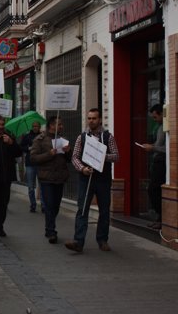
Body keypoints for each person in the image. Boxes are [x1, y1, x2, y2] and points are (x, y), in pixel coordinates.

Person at [66, 108, 120, 253]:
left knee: (104, 211)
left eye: (94, 118)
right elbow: (75, 157)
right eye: (89, 118)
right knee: (82, 210)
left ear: (100, 120)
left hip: (103, 179)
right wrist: (82, 169)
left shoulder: (108, 137)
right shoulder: (81, 137)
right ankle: (78, 241)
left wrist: (101, 155)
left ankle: (102, 240)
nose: (91, 121)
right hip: (86, 178)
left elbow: (116, 156)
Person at [30, 116, 71, 244]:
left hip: (59, 177)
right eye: (59, 124)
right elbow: (33, 158)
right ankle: (51, 231)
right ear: (51, 126)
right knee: (49, 205)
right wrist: (49, 154)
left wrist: (68, 151)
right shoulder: (40, 140)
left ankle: (50, 227)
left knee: (56, 206)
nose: (61, 127)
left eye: (61, 124)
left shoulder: (63, 140)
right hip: (46, 178)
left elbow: (69, 159)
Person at [142, 104, 166, 229]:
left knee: (153, 190)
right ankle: (160, 217)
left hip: (162, 163)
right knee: (153, 190)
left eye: (156, 117)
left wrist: (153, 148)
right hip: (156, 161)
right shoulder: (159, 127)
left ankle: (162, 217)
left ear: (162, 114)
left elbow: (168, 148)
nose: (154, 120)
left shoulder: (166, 127)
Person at [21, 121, 44, 213]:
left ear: (39, 127)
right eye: (33, 126)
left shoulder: (42, 137)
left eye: (36, 126)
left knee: (42, 185)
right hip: (30, 163)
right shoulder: (27, 137)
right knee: (31, 186)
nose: (35, 127)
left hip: (40, 163)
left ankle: (43, 205)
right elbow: (21, 147)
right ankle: (33, 204)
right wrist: (28, 148)